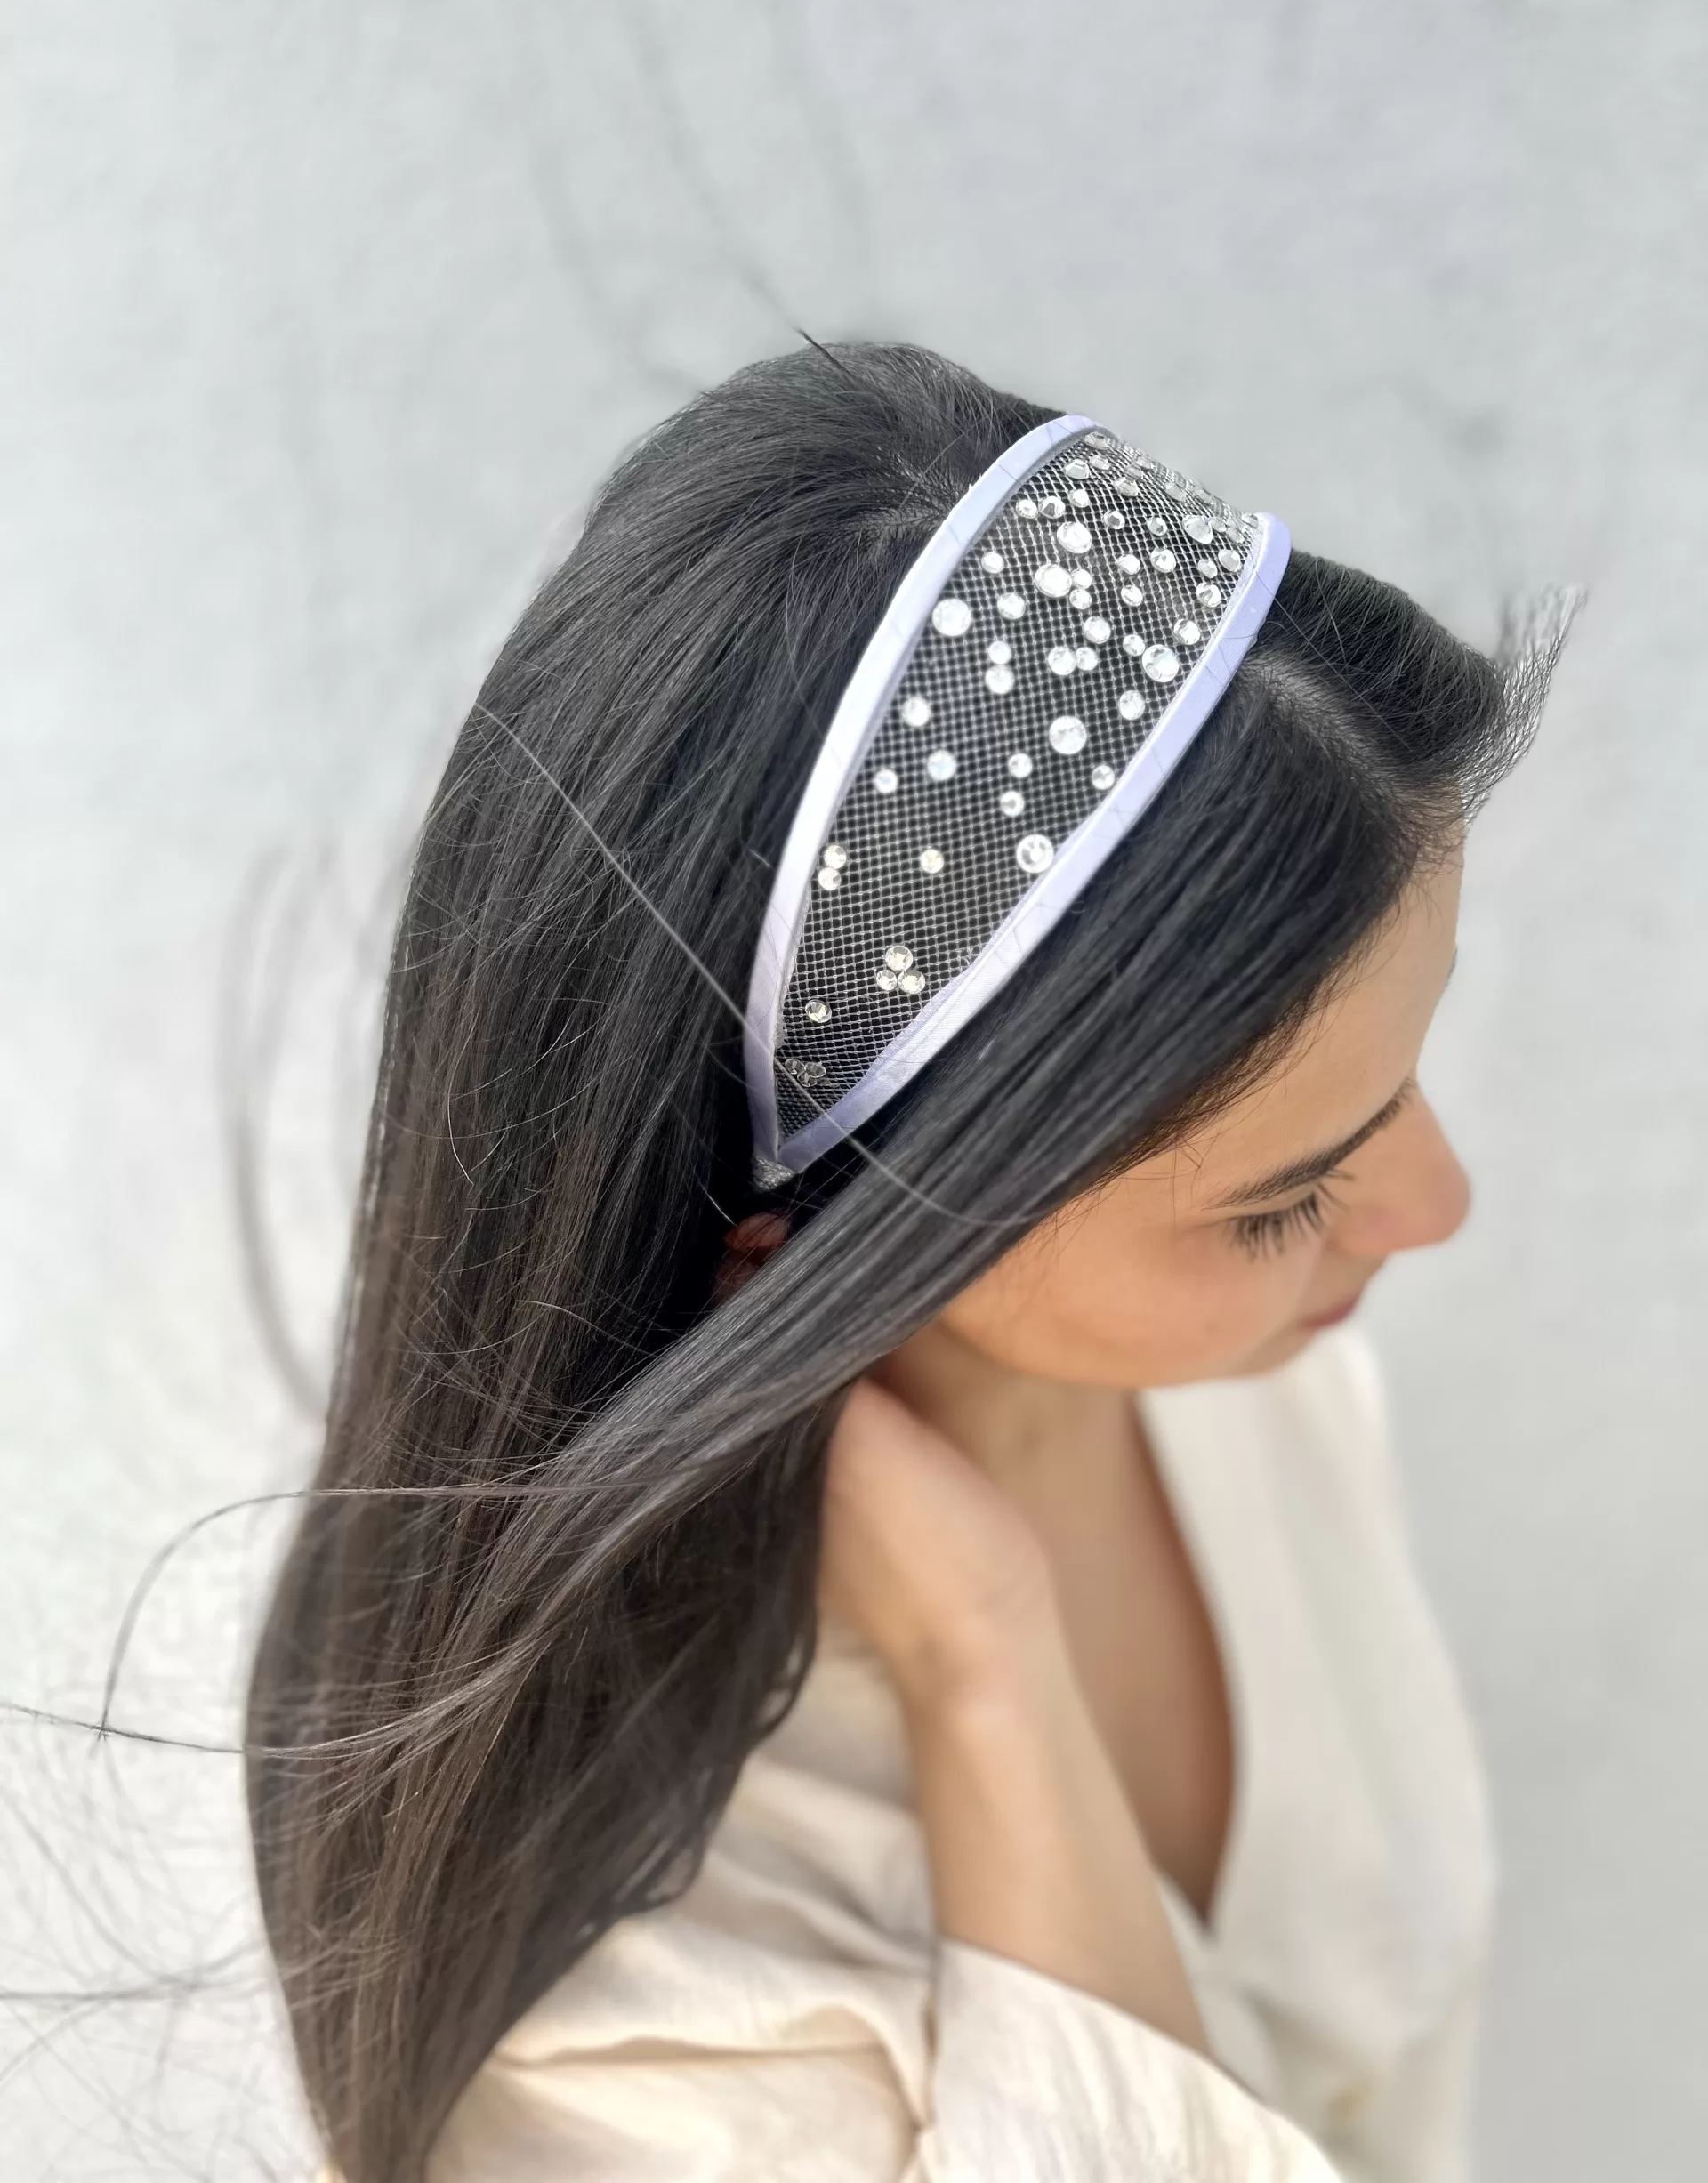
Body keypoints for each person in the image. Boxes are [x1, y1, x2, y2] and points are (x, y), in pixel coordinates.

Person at [246, 342, 1567, 2182]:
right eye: (1284, 1197)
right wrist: (985, 1666)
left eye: (1399, 1083)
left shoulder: (1257, 1401)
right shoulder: (630, 2008)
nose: (1436, 1207)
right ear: (813, 1257)